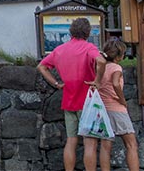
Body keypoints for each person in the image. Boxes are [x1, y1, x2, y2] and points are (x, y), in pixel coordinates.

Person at [38, 17, 107, 171]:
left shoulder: (59, 50)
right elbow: (101, 61)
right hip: (87, 102)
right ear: (88, 32)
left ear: (71, 32)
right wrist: (97, 80)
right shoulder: (89, 47)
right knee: (90, 142)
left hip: (69, 100)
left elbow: (42, 66)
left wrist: (56, 84)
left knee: (71, 141)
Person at [97, 39, 138, 171]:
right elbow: (115, 83)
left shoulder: (100, 67)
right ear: (119, 55)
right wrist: (122, 100)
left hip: (103, 108)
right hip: (116, 108)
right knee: (131, 144)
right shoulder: (116, 67)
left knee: (105, 145)